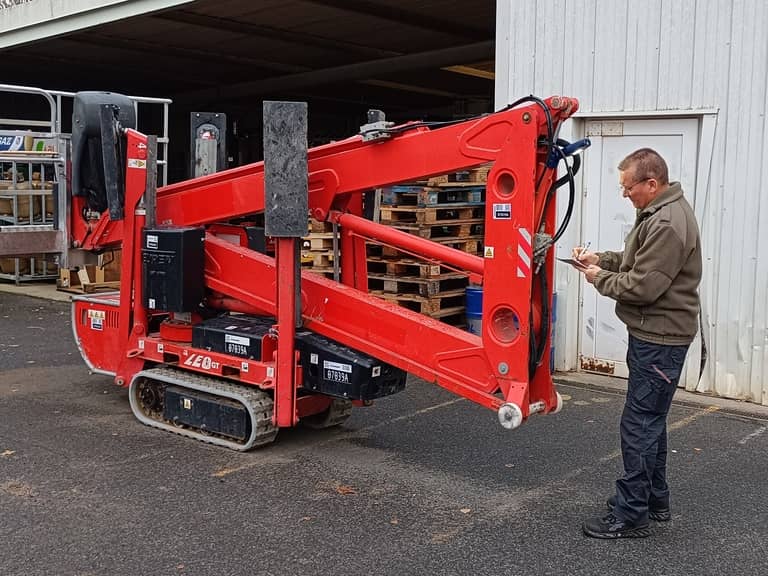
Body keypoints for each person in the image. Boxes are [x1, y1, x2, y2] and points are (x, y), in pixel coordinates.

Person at [573, 148, 702, 539]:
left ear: (651, 182)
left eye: (629, 188)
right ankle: (652, 500)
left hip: (659, 339)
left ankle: (631, 516)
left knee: (639, 425)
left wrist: (599, 278)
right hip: (656, 335)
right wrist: (602, 259)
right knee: (650, 421)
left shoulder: (666, 222)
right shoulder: (659, 212)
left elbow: (644, 286)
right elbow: (636, 260)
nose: (625, 194)